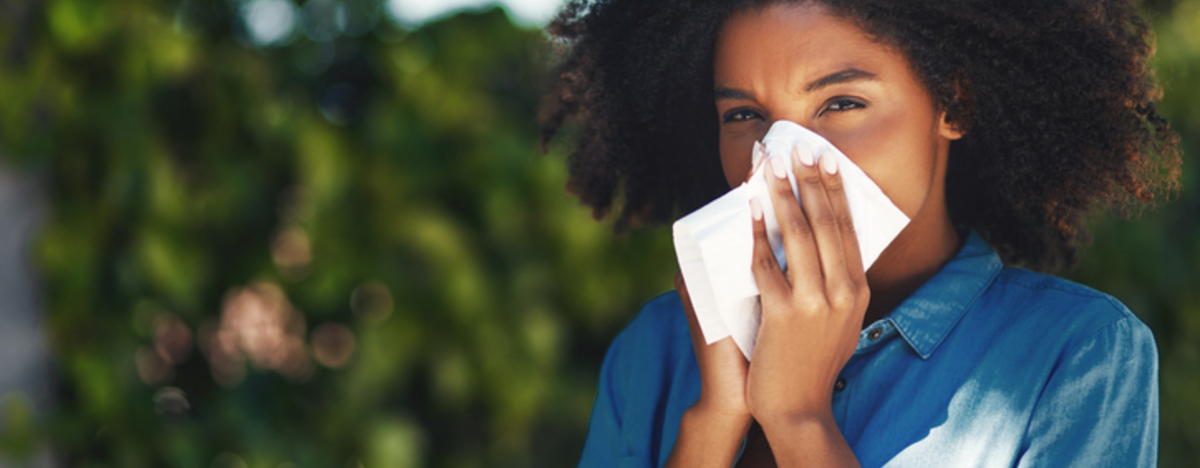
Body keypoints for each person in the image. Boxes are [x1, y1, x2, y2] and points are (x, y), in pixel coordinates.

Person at [539, 0, 1181, 466]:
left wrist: (798, 420)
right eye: (744, 115)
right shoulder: (653, 352)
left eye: (840, 104)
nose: (779, 157)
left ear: (952, 104)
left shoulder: (1079, 355)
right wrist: (714, 419)